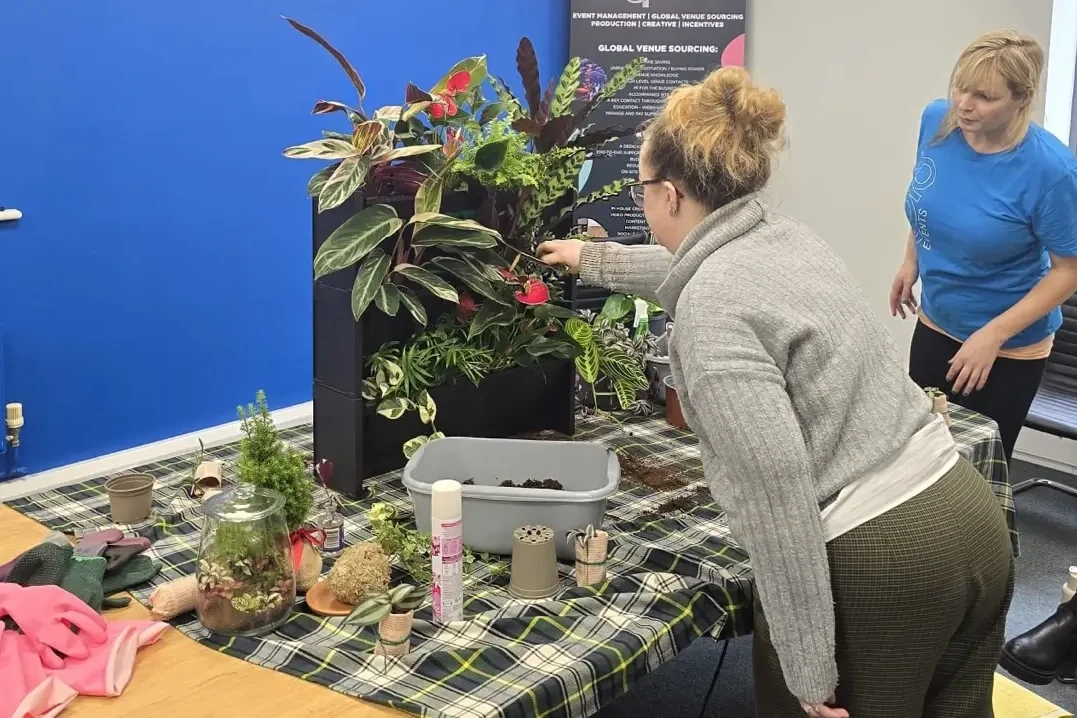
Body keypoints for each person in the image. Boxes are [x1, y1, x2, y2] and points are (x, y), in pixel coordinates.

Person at [538, 66, 1014, 718]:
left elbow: (777, 496)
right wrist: (592, 258)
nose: (643, 201)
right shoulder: (780, 238)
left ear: (671, 195)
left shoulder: (710, 316)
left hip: (889, 559)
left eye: (644, 187)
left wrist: (807, 668)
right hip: (967, 515)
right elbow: (694, 269)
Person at [891, 30, 1077, 462]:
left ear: (1021, 98)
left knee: (977, 472)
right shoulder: (937, 122)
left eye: (985, 97)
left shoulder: (1051, 171)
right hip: (937, 322)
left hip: (1008, 346)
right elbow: (930, 198)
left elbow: (1069, 269)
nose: (964, 104)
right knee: (921, 459)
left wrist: (994, 334)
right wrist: (911, 259)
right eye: (961, 87)